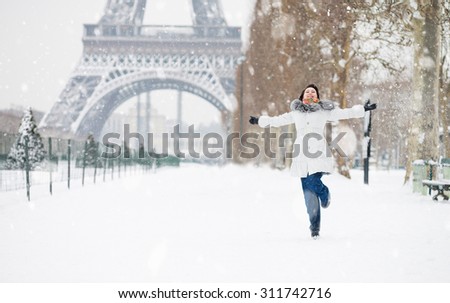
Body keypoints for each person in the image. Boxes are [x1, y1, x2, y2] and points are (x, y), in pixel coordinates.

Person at [249, 84, 376, 239]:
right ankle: (314, 228)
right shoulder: (295, 113)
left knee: (313, 183)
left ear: (317, 97)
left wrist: (362, 109)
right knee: (308, 195)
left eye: (313, 92)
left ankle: (325, 193)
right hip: (302, 155)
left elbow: (343, 113)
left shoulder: (323, 111)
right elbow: (277, 120)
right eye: (307, 91)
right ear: (302, 96)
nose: (310, 93)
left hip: (317, 153)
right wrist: (259, 120)